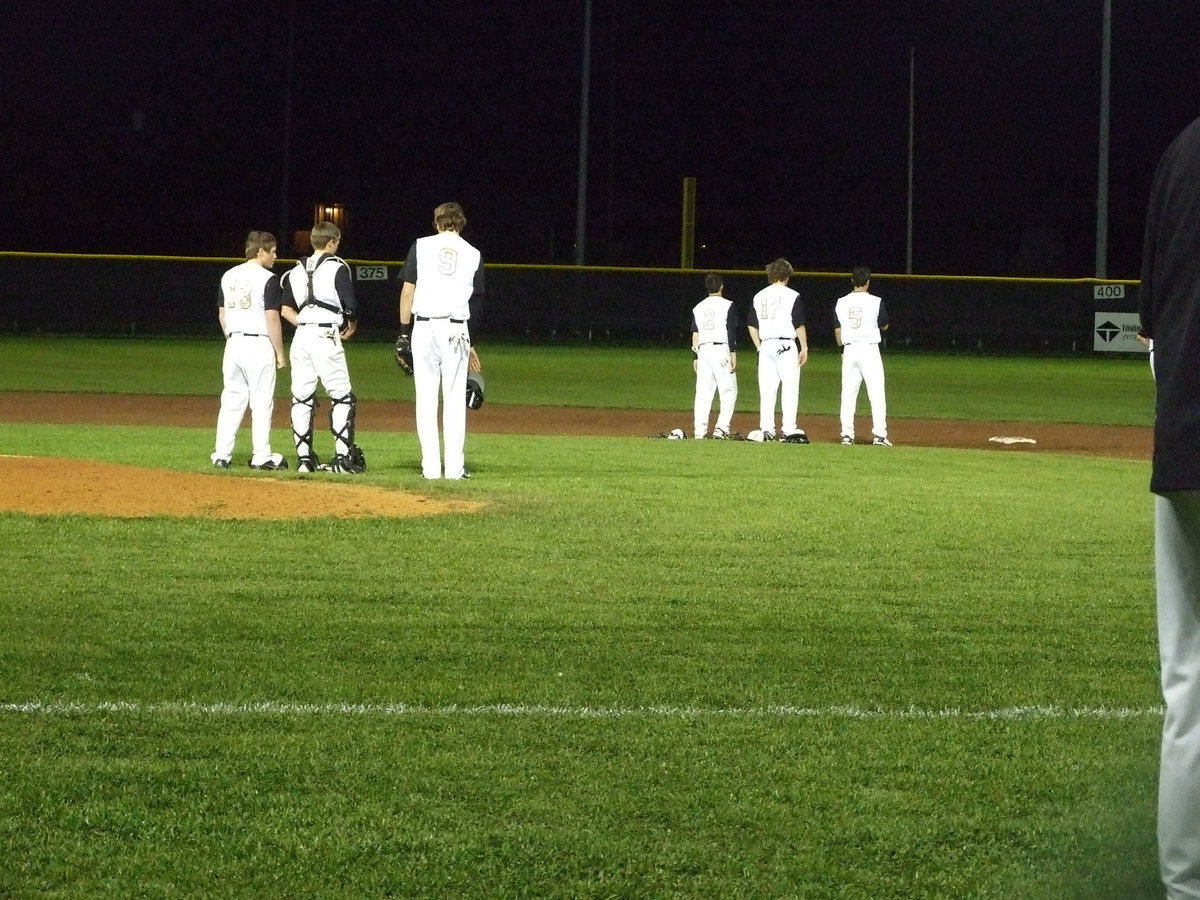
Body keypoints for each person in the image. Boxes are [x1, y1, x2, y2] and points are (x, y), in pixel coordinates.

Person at [1139, 113, 1200, 900]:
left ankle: (1185, 885)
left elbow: (1152, 318)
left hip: (1183, 441)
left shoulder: (1180, 150)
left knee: (1189, 683)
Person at [396, 202, 484, 480]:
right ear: (461, 223)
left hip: (423, 328)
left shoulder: (420, 246)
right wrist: (471, 343)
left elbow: (408, 292)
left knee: (426, 399)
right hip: (456, 329)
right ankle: (454, 470)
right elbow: (478, 302)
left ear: (436, 222)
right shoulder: (473, 253)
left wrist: (402, 334)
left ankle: (431, 470)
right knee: (455, 400)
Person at [280, 220, 365, 474]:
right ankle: (342, 458)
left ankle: (304, 460)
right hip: (326, 335)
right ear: (331, 243)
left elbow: (285, 309)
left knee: (302, 397)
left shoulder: (294, 271)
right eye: (337, 242)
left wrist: (306, 323)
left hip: (301, 337)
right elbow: (350, 305)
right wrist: (352, 324)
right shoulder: (337, 267)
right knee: (342, 397)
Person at [211, 230, 289, 470]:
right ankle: (261, 455)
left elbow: (222, 315)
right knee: (262, 401)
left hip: (233, 343)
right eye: (272, 250)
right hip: (258, 343)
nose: (275, 255)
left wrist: (232, 337)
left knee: (232, 400)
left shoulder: (228, 275)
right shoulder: (268, 278)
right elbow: (272, 318)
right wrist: (279, 352)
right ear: (260, 251)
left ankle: (222, 454)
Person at [746, 258, 809, 443]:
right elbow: (798, 323)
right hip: (786, 345)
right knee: (790, 388)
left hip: (766, 345)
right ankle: (788, 429)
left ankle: (767, 430)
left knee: (767, 390)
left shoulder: (759, 296)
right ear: (787, 275)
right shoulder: (792, 295)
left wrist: (759, 346)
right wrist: (804, 346)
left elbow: (751, 325)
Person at [834, 266, 891, 446]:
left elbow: (838, 329)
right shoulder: (876, 301)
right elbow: (884, 325)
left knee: (848, 394)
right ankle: (880, 436)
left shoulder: (841, 302)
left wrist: (842, 350)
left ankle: (847, 435)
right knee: (876, 393)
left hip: (849, 350)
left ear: (852, 281)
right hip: (869, 350)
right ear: (868, 282)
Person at [690, 272, 739, 439]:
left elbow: (695, 334)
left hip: (703, 351)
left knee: (703, 393)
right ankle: (721, 428)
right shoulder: (728, 305)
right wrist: (733, 352)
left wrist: (695, 356)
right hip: (721, 350)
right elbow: (730, 331)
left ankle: (699, 431)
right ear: (722, 286)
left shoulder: (698, 307)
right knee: (729, 390)